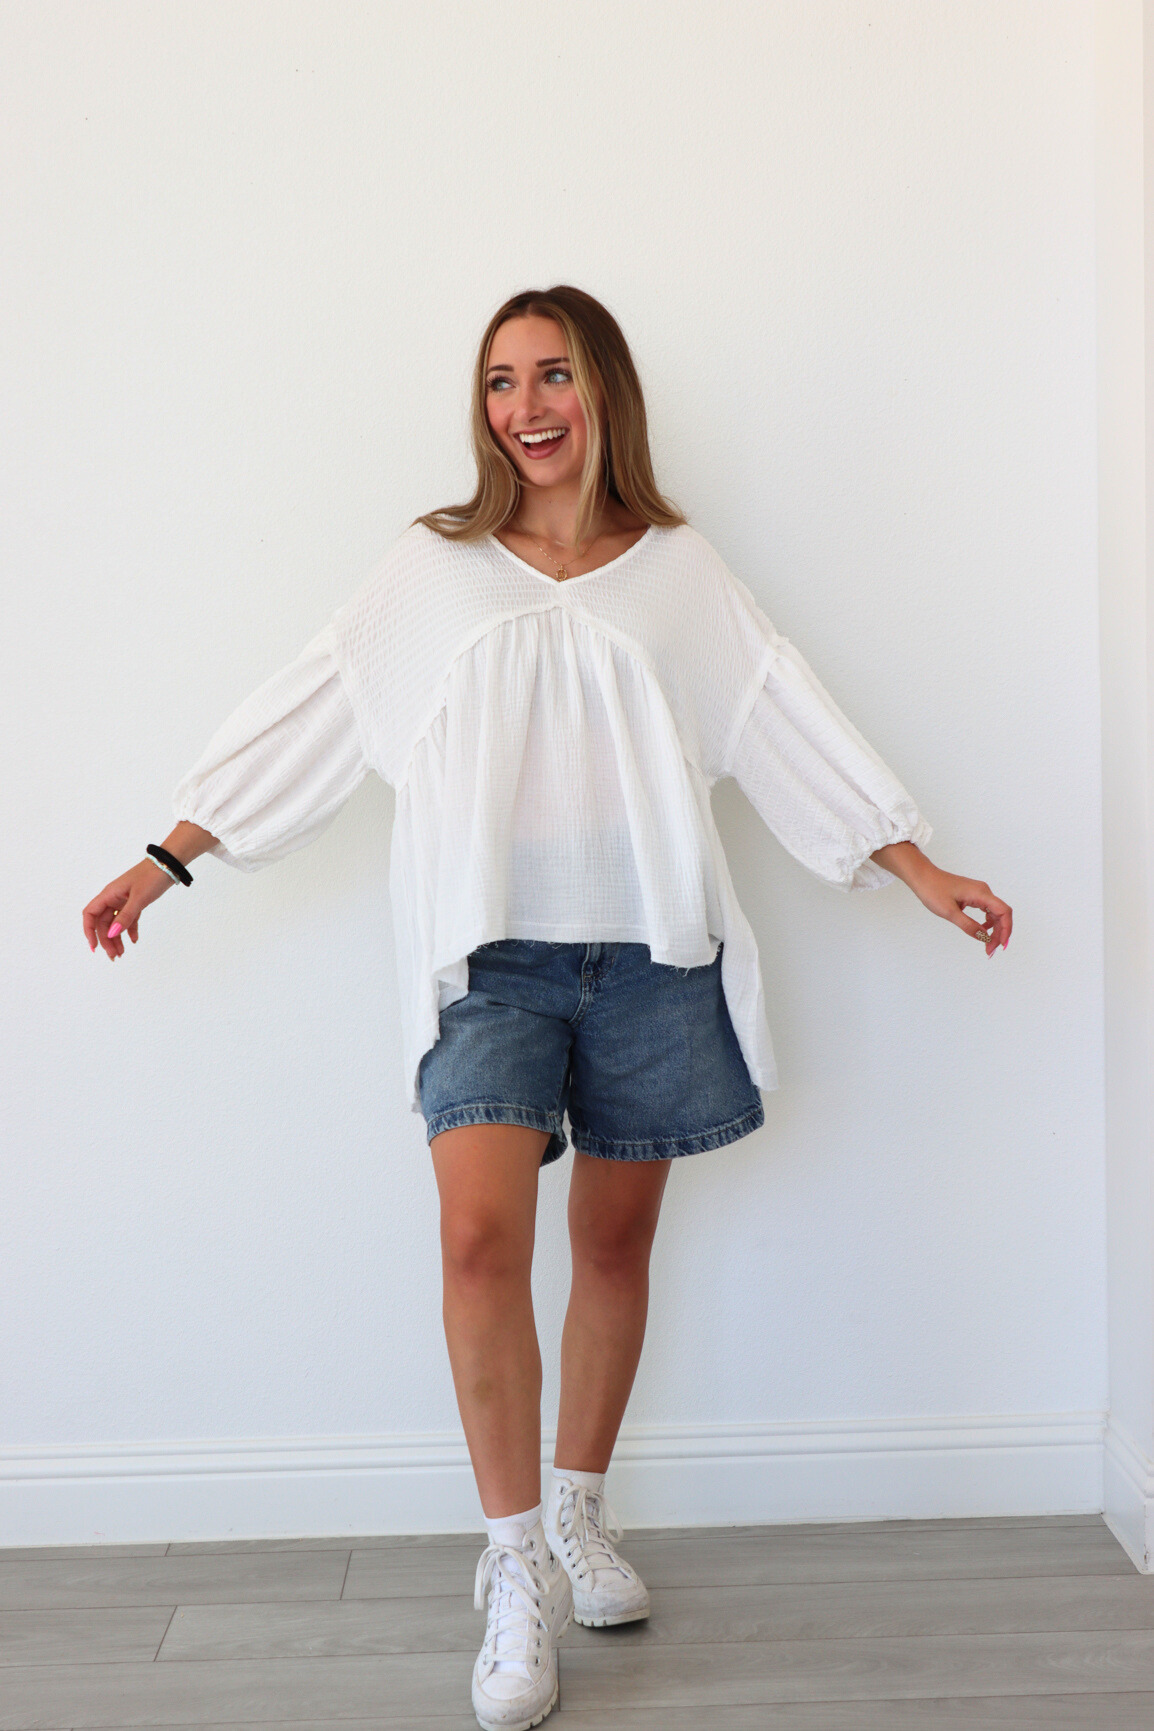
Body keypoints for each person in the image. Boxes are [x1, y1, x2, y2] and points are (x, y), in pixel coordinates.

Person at [82, 284, 1012, 1731]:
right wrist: (168, 856)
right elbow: (319, 708)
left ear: (604, 392)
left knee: (613, 1243)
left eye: (555, 374)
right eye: (502, 380)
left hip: (647, 952)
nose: (527, 406)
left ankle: (580, 1510)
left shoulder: (678, 573)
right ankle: (511, 1563)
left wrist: (913, 863)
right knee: (477, 1242)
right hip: (488, 959)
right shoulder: (434, 567)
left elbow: (780, 715)